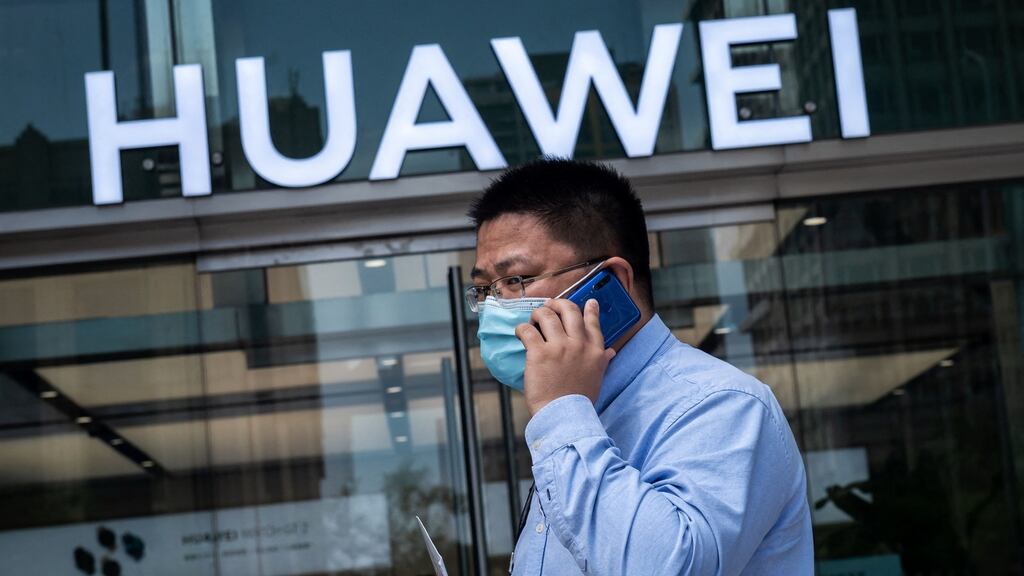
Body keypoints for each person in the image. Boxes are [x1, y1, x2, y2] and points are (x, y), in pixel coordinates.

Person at [465, 158, 813, 575]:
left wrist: (560, 411)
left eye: (516, 280)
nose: (494, 307)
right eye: (485, 289)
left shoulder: (723, 405)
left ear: (609, 281)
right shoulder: (582, 415)